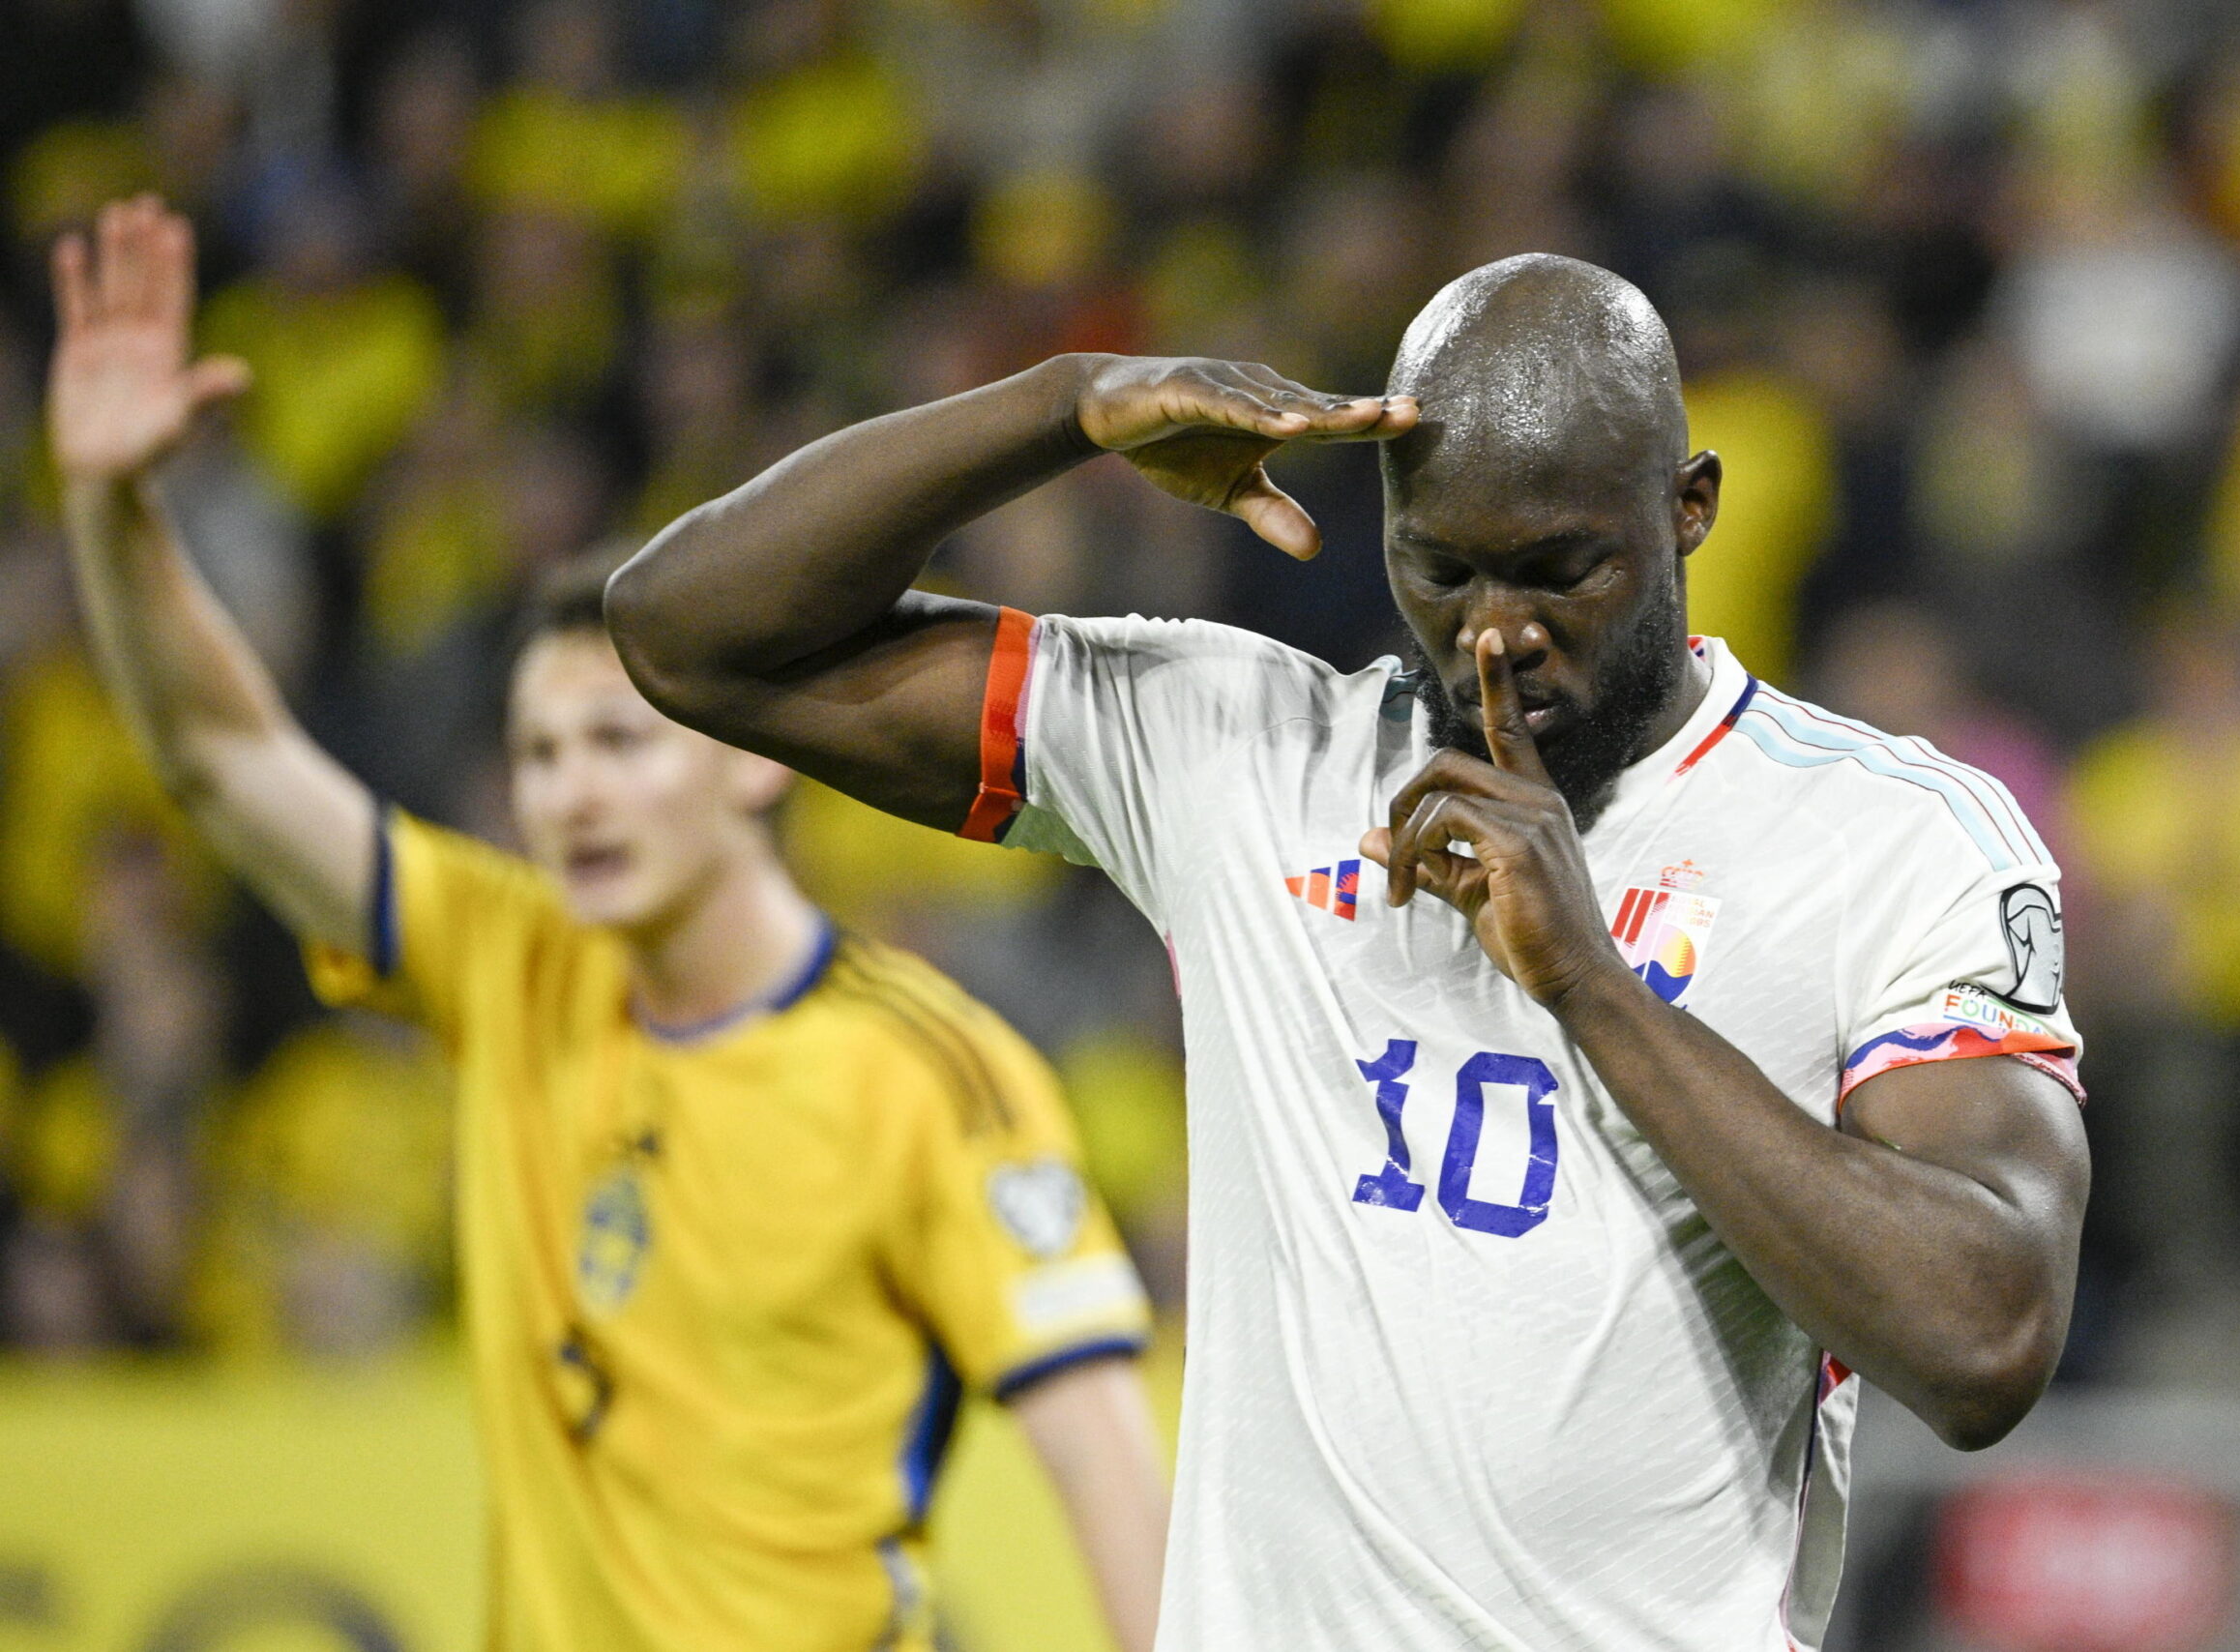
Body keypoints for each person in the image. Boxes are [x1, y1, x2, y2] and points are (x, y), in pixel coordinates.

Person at [609, 252, 2092, 1650]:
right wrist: (1058, 405)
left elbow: (1984, 1335)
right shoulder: (1240, 755)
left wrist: (1588, 980)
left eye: (1560, 571)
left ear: (1689, 508)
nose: (1496, 636)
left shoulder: (1889, 841)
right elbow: (688, 634)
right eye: (1441, 571)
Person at [47, 195, 1169, 1652]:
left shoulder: (924, 1075)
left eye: (619, 746)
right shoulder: (513, 959)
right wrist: (111, 510)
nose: (572, 795)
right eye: (539, 756)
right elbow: (223, 758)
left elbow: (1098, 1446)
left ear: (758, 759)